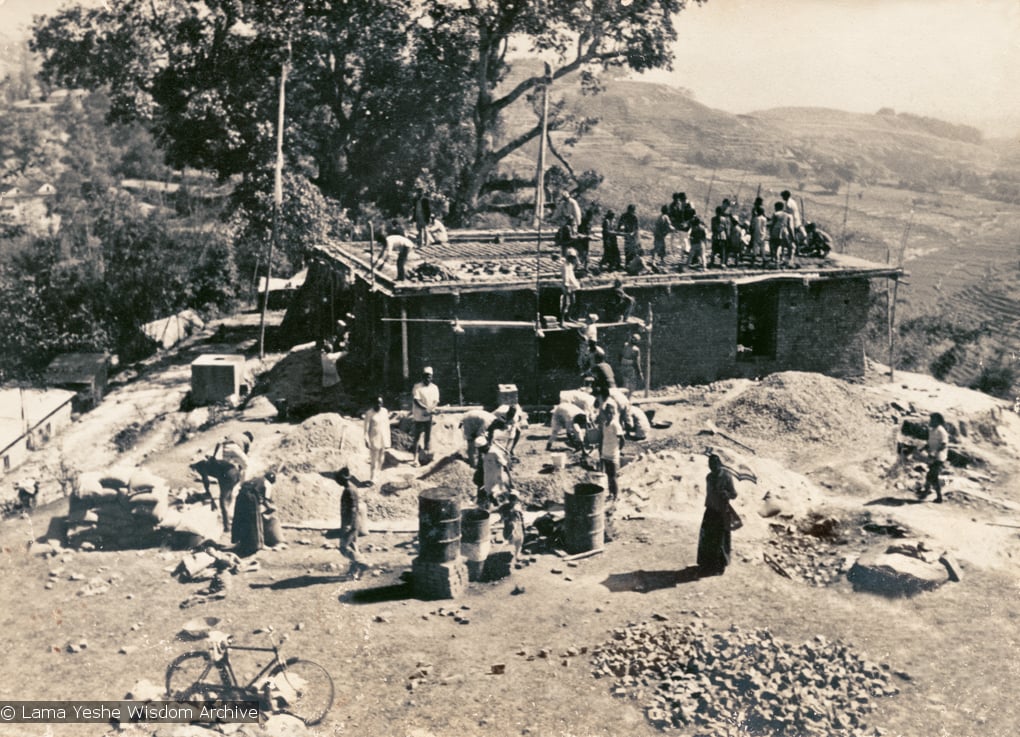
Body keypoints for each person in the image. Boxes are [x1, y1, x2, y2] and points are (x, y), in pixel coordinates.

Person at [192, 431, 254, 533]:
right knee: (244, 467)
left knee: (223, 500)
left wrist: (207, 492)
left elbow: (205, 480)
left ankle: (227, 526)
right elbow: (244, 455)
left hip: (226, 467)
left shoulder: (201, 465)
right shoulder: (242, 440)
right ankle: (231, 517)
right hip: (233, 473)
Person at [697, 453, 738, 576]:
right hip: (710, 509)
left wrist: (726, 494)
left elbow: (734, 494)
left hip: (722, 511)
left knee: (720, 539)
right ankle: (707, 565)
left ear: (719, 464)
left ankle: (720, 566)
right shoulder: (708, 477)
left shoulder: (727, 476)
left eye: (714, 464)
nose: (712, 467)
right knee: (707, 538)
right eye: (710, 465)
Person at [231, 471, 276, 558]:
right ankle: (259, 545)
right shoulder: (267, 484)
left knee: (242, 521)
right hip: (250, 499)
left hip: (240, 497)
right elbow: (265, 500)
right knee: (255, 521)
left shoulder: (256, 478)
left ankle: (241, 543)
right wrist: (270, 508)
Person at [337, 467, 369, 579]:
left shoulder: (349, 490)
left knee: (344, 547)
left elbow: (353, 508)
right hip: (352, 521)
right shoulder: (351, 488)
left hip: (350, 522)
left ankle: (362, 562)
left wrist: (348, 525)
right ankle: (355, 571)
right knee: (353, 545)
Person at [411, 367, 440, 465]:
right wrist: (426, 409)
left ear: (432, 377)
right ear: (422, 377)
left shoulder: (434, 387)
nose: (428, 379)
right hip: (419, 416)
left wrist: (431, 409)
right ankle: (415, 458)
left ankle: (426, 456)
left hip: (429, 416)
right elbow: (417, 400)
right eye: (426, 376)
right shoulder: (417, 387)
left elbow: (436, 401)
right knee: (417, 437)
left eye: (429, 377)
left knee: (427, 437)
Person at [920, 412, 949, 503]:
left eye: (932, 419)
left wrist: (935, 452)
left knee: (932, 476)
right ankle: (927, 493)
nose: (930, 421)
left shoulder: (941, 431)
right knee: (931, 476)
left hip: (939, 457)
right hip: (932, 457)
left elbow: (943, 444)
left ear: (937, 421)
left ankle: (938, 497)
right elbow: (930, 443)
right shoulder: (932, 430)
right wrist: (924, 448)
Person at [599, 401, 624, 502]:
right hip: (605, 454)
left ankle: (616, 496)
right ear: (605, 414)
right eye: (607, 413)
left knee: (613, 477)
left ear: (613, 414)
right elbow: (603, 438)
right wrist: (601, 452)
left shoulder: (615, 425)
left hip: (613, 455)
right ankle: (610, 493)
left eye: (611, 413)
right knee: (608, 476)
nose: (609, 415)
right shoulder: (605, 424)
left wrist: (619, 449)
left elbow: (622, 439)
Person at [363, 396, 391, 485]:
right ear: (373, 403)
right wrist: (366, 439)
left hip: (383, 438)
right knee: (374, 460)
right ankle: (372, 478)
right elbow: (366, 428)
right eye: (377, 403)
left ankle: (377, 476)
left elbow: (387, 426)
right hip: (374, 439)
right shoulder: (369, 413)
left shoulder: (385, 411)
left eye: (380, 403)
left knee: (381, 459)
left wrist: (388, 439)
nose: (378, 405)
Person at [769, 201, 797, 266]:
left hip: (775, 231)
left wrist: (771, 232)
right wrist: (792, 236)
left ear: (776, 207)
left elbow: (772, 224)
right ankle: (786, 259)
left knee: (776, 245)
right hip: (784, 231)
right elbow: (789, 226)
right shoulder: (787, 215)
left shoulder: (775, 214)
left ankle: (776, 259)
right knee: (785, 245)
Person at [560, 248, 580, 324]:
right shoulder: (565, 265)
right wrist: (567, 286)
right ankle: (562, 320)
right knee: (565, 303)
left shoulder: (570, 264)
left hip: (572, 285)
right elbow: (566, 276)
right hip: (567, 285)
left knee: (573, 302)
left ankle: (568, 317)